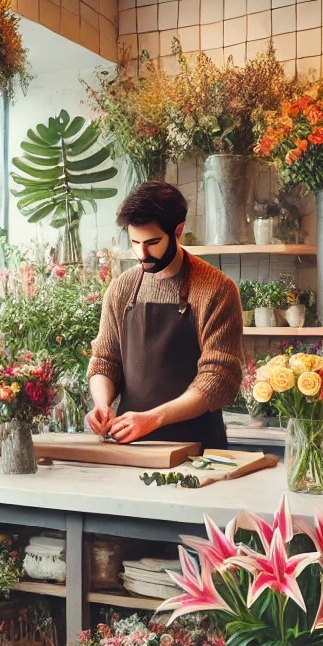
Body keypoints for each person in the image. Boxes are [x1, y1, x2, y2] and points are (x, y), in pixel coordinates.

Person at [85, 182, 244, 448]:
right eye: (135, 242)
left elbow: (218, 378)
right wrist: (102, 405)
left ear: (178, 230)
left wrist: (153, 418)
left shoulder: (217, 290)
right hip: (131, 445)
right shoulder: (122, 287)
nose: (142, 254)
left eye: (152, 242)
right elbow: (105, 360)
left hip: (197, 449)